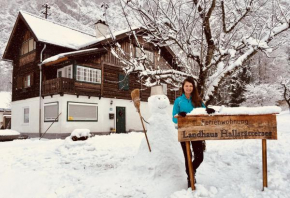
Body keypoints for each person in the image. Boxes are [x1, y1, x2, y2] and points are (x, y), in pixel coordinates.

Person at [172, 77, 215, 188]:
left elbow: (204, 112)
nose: (188, 88)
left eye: (191, 86)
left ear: (193, 87)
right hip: (184, 132)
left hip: (196, 131)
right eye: (186, 85)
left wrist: (208, 110)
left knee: (199, 157)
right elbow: (174, 118)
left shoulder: (197, 100)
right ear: (183, 87)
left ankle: (192, 170)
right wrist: (180, 116)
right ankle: (190, 178)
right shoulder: (178, 101)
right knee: (188, 156)